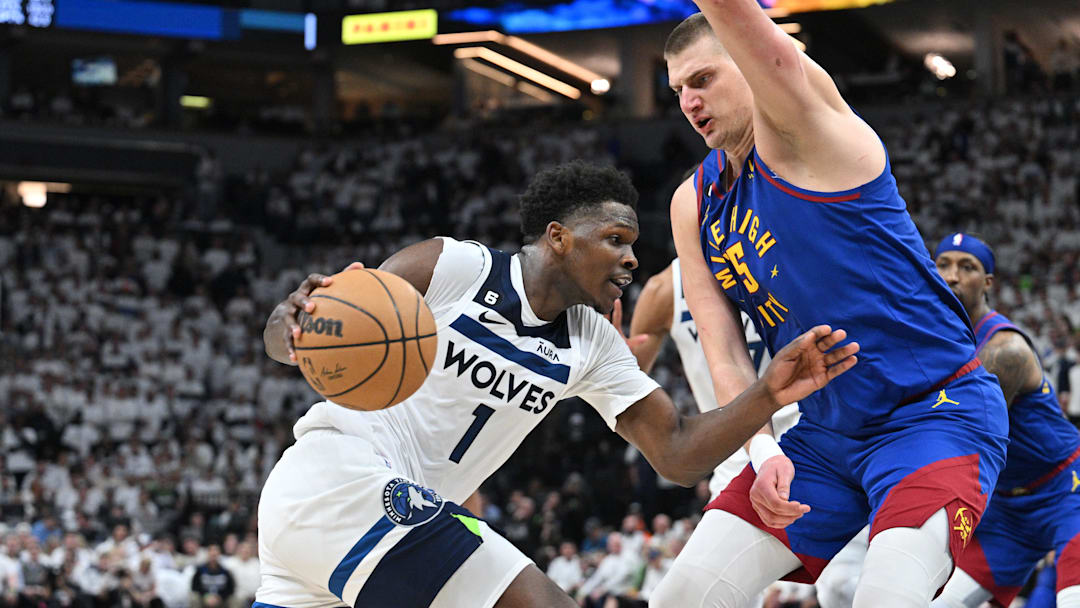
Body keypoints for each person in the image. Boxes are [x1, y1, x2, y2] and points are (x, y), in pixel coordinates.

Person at [254, 161, 859, 608]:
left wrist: (767, 395)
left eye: (633, 247)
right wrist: (294, 323)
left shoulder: (593, 344)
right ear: (559, 237)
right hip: (339, 477)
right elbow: (319, 335)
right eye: (615, 241)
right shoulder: (454, 266)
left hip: (349, 521)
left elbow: (675, 454)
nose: (629, 260)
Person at [653, 5, 1010, 607]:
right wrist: (761, 448)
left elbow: (763, 45)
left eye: (704, 78)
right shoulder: (692, 202)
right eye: (679, 89)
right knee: (682, 597)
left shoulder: (808, 132)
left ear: (746, 62)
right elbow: (722, 346)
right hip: (824, 434)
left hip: (933, 415)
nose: (689, 101)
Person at [931, 233, 1080, 608]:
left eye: (967, 267)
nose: (952, 276)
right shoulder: (935, 341)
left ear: (988, 283)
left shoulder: (1004, 350)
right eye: (943, 264)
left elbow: (956, 435)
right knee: (939, 604)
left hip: (1066, 490)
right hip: (1009, 511)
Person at [628, 258, 799, 499]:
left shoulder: (779, 252)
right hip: (735, 466)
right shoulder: (664, 289)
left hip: (811, 449)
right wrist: (611, 356)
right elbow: (629, 379)